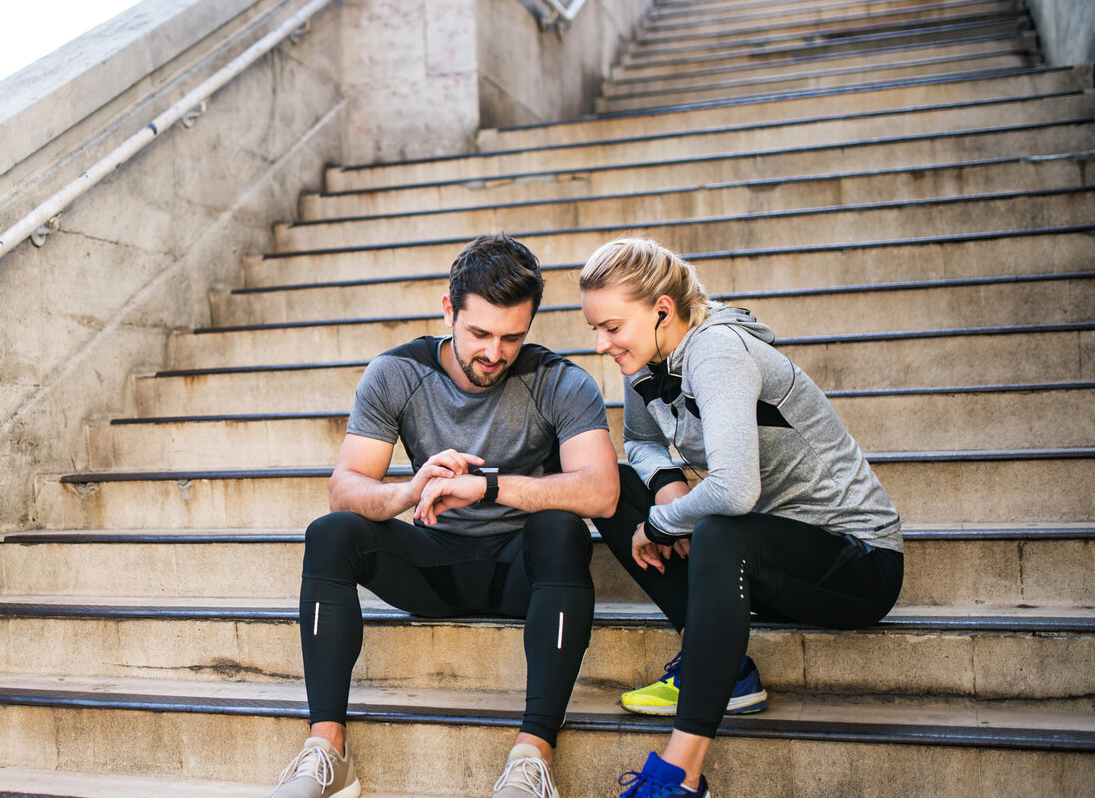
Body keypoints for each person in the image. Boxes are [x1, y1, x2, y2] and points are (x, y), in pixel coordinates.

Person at [271, 234, 619, 798]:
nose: (493, 352)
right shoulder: (396, 373)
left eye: (512, 337)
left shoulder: (559, 380)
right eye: (479, 333)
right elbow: (346, 488)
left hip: (525, 574)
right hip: (435, 563)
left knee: (561, 527)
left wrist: (487, 487)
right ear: (448, 311)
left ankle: (532, 759)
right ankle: (327, 751)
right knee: (332, 533)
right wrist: (411, 490)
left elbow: (602, 492)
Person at [579, 237, 904, 797]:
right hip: (765, 554)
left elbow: (733, 490)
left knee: (719, 533)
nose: (604, 344)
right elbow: (638, 439)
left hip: (856, 561)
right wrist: (665, 489)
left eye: (613, 327)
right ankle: (722, 664)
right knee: (616, 486)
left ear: (661, 309)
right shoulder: (646, 363)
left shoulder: (718, 351)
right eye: (596, 330)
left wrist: (664, 524)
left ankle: (680, 777)